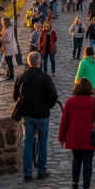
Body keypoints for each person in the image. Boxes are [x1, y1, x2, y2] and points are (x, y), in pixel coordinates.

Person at [13, 52, 59, 182]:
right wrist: (47, 106)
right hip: (42, 115)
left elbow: (15, 97)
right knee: (43, 141)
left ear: (28, 62)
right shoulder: (45, 77)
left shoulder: (21, 76)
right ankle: (41, 170)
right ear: (40, 62)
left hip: (27, 115)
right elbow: (54, 97)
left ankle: (27, 173)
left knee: (28, 142)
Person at [59, 77, 95, 189]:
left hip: (74, 135)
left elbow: (64, 121)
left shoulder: (70, 102)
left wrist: (61, 137)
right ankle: (86, 188)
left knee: (76, 159)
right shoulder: (94, 101)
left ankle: (75, 182)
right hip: (89, 135)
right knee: (88, 161)